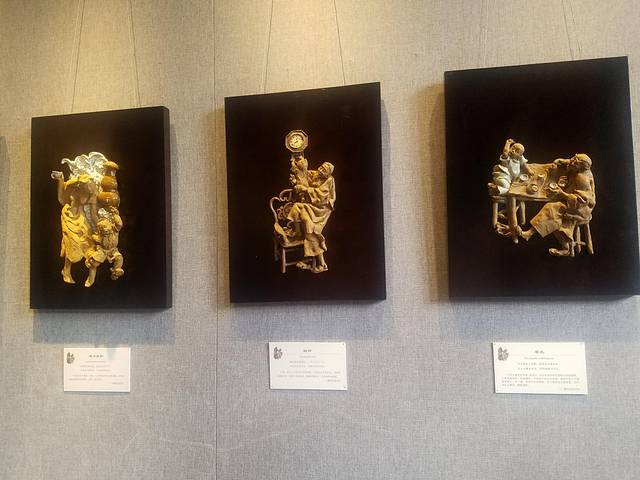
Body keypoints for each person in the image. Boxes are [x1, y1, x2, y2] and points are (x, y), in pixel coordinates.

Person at [518, 154, 595, 256]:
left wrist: (561, 193)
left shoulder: (582, 179)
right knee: (553, 212)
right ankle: (532, 233)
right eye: (573, 158)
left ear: (580, 167)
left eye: (575, 162)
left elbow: (579, 200)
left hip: (580, 208)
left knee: (552, 209)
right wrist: (561, 161)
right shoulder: (579, 166)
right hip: (574, 201)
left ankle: (564, 248)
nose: (572, 161)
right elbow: (572, 161)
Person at [287, 162, 336, 272]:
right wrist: (296, 180)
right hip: (311, 206)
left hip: (320, 209)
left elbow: (320, 195)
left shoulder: (329, 180)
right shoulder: (315, 174)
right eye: (321, 167)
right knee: (296, 207)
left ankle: (322, 264)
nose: (321, 170)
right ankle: (297, 232)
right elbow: (304, 177)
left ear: (328, 174)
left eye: (324, 170)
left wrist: (304, 189)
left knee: (310, 229)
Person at [51, 171, 97, 284]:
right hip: (68, 216)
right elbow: (62, 199)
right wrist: (61, 179)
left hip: (81, 218)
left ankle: (91, 274)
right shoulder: (73, 185)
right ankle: (66, 271)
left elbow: (93, 213)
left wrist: (97, 227)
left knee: (89, 242)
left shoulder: (92, 192)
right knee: (71, 243)